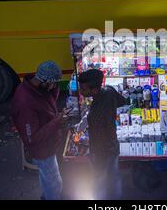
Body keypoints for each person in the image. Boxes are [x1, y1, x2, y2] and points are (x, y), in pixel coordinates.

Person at [11, 60, 70, 200]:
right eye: (54, 84)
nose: (55, 87)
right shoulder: (25, 102)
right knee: (54, 182)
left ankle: (46, 196)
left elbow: (48, 99)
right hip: (42, 150)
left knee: (47, 177)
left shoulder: (38, 87)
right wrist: (57, 121)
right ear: (45, 81)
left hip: (49, 144)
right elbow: (33, 138)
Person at [78, 69, 127, 199]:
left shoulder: (95, 113)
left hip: (100, 150)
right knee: (114, 176)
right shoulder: (109, 91)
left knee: (99, 180)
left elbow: (97, 135)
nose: (81, 91)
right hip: (113, 144)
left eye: (83, 89)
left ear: (94, 89)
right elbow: (123, 101)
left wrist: (91, 152)